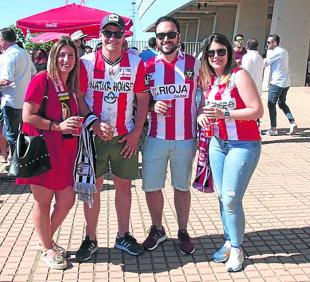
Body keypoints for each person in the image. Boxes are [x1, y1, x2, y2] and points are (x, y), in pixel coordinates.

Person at [76, 13, 149, 261]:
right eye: (107, 33)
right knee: (92, 189)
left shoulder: (137, 63)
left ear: (124, 36)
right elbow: (78, 97)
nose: (112, 38)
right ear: (100, 35)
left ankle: (122, 235)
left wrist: (136, 134)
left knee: (124, 187)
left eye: (117, 33)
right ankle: (91, 237)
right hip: (93, 138)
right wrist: (93, 122)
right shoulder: (86, 62)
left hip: (124, 137)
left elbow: (142, 99)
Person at [197, 33, 263, 272]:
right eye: (211, 52)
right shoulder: (209, 79)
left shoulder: (239, 75)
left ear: (229, 52)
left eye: (221, 51)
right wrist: (201, 115)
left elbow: (257, 110)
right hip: (218, 143)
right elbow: (203, 107)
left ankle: (237, 247)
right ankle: (228, 241)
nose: (216, 56)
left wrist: (225, 114)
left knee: (231, 197)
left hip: (243, 144)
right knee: (222, 197)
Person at [16, 37, 81, 270]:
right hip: (43, 149)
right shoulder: (41, 79)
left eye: (71, 55)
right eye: (62, 55)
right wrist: (58, 126)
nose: (66, 59)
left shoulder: (71, 84)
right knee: (43, 202)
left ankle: (45, 240)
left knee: (66, 200)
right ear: (53, 57)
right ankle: (46, 247)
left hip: (65, 151)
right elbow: (27, 116)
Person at [142, 16, 199, 255]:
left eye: (171, 34)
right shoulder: (146, 66)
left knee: (181, 187)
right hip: (155, 138)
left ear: (179, 37)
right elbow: (137, 103)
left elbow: (209, 93)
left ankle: (183, 231)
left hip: (185, 138)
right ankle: (157, 229)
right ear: (156, 38)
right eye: (161, 35)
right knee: (152, 187)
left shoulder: (194, 64)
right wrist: (151, 106)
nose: (166, 39)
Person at [0, 28, 36, 181]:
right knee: (22, 133)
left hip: (11, 100)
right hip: (25, 100)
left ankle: (16, 167)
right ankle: (24, 163)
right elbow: (33, 72)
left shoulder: (8, 56)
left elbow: (6, 80)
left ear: (3, 40)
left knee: (11, 135)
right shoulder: (24, 53)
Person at [263, 34, 297, 136]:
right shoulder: (284, 51)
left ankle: (273, 129)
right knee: (282, 103)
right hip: (286, 83)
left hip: (277, 83)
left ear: (275, 43)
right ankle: (292, 122)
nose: (267, 44)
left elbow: (265, 63)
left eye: (269, 42)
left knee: (271, 104)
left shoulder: (276, 52)